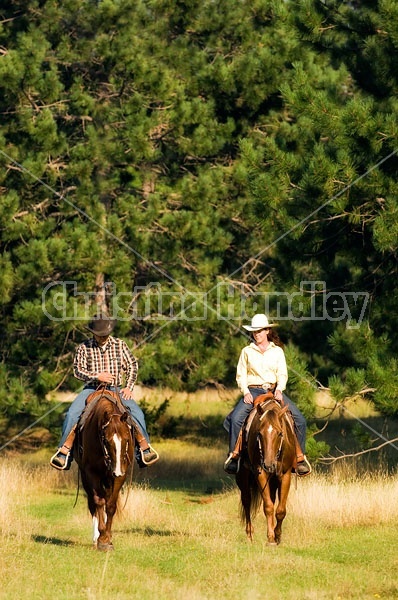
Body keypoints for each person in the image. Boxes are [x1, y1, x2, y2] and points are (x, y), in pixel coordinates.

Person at [50, 315, 159, 470]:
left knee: (137, 413)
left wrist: (128, 387)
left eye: (105, 334)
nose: (102, 337)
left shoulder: (119, 345)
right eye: (99, 334)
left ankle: (143, 448)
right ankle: (64, 452)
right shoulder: (84, 347)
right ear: (93, 333)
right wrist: (97, 376)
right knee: (72, 414)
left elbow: (132, 365)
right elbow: (77, 371)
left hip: (116, 388)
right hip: (91, 389)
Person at [223, 313, 311, 476]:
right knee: (235, 419)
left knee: (300, 420)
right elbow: (240, 374)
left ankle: (299, 458)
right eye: (255, 331)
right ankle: (234, 457)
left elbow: (282, 373)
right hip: (253, 390)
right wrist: (246, 391)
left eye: (260, 331)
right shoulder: (247, 351)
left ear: (267, 331)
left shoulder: (277, 351)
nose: (257, 334)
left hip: (273, 390)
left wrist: (279, 389)